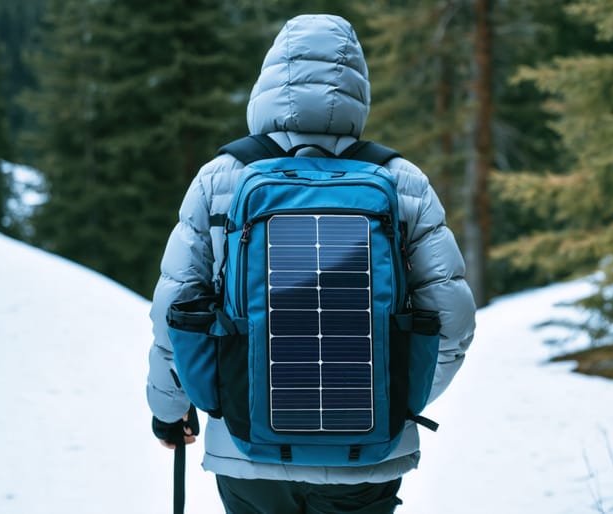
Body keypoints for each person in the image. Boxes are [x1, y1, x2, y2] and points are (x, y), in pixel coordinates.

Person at [146, 13, 476, 514]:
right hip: (367, 457)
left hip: (245, 447)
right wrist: (395, 402)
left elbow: (177, 307)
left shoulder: (222, 178)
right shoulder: (402, 180)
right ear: (357, 88)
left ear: (269, 81)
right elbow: (452, 319)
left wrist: (171, 411)